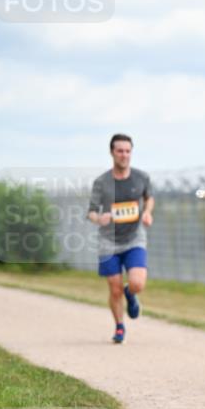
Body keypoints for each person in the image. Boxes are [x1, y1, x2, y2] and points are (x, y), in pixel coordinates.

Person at [87, 134, 154, 343]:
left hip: (134, 238)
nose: (124, 155)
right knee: (114, 288)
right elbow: (90, 212)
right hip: (108, 241)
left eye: (128, 151)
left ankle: (131, 294)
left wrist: (147, 212)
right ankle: (119, 327)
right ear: (112, 153)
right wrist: (100, 218)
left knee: (137, 283)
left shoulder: (141, 177)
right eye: (120, 151)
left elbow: (148, 198)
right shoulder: (102, 182)